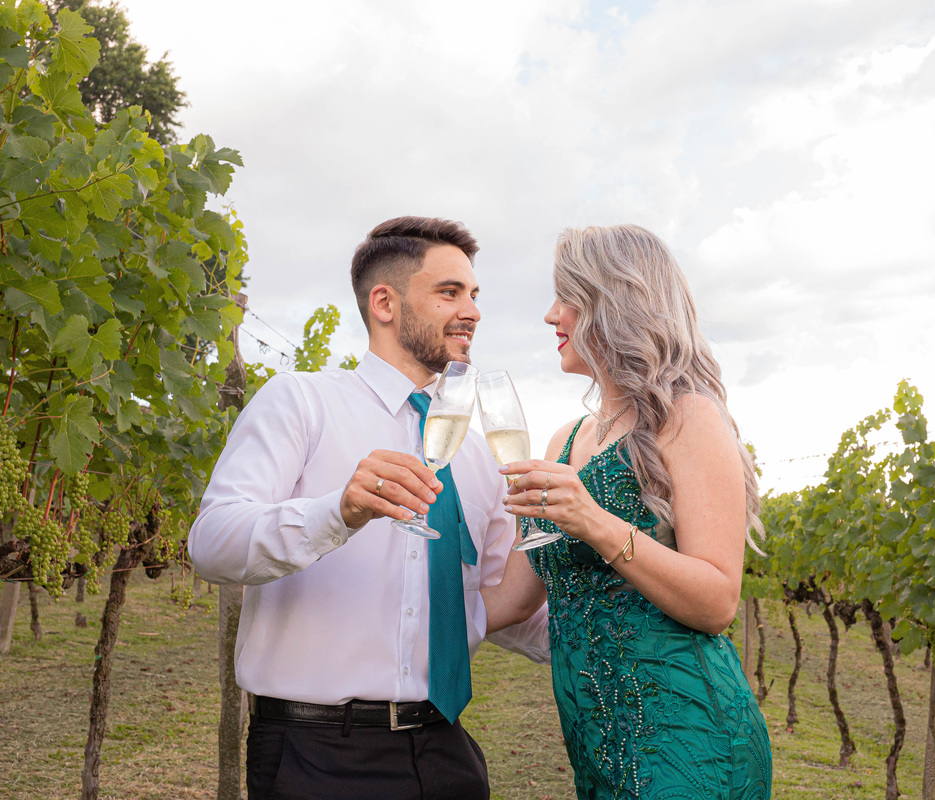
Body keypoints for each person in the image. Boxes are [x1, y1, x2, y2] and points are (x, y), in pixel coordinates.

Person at [189, 216, 547, 800]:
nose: (474, 311)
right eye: (450, 292)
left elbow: (498, 604)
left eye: (476, 295)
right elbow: (211, 545)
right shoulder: (300, 402)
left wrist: (620, 631)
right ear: (384, 301)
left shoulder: (477, 455)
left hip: (446, 750)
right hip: (315, 756)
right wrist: (340, 512)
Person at [482, 224, 773, 799]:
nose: (549, 316)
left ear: (612, 303)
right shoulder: (564, 441)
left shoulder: (688, 418)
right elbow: (511, 602)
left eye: (566, 297)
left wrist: (592, 520)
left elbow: (717, 601)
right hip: (598, 746)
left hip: (691, 741)